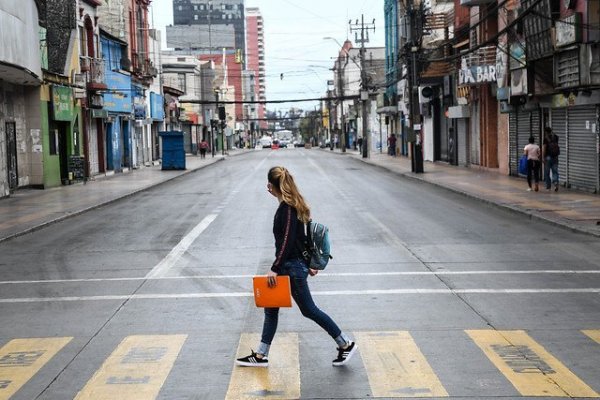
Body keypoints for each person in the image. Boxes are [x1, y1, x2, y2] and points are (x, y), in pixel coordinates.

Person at [236, 166, 356, 368]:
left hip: (290, 268)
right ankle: (261, 355)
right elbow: (299, 240)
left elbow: (288, 242)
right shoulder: (288, 206)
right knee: (271, 310)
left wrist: (275, 267)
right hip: (292, 266)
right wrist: (306, 264)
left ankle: (345, 343)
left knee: (309, 310)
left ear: (271, 186)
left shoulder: (288, 210)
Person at [542, 127, 560, 191]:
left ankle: (548, 187)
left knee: (547, 172)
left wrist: (543, 157)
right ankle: (556, 183)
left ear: (546, 132)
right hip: (555, 157)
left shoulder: (545, 138)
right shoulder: (556, 137)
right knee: (555, 171)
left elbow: (544, 148)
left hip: (548, 157)